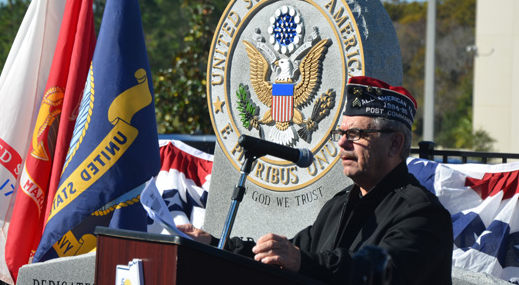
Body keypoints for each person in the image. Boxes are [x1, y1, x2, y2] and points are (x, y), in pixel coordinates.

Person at [179, 76, 453, 284]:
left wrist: (299, 260)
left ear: (395, 144)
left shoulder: (422, 213)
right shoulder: (340, 204)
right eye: (340, 133)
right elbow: (285, 255)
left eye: (356, 134)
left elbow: (379, 271)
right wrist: (215, 243)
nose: (342, 143)